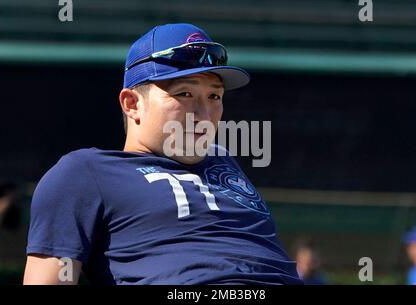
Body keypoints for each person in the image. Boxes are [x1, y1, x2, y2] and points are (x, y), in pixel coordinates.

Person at [23, 23, 302, 285]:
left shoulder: (223, 161)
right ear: (131, 104)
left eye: (214, 96)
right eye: (184, 94)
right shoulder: (85, 171)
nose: (204, 114)